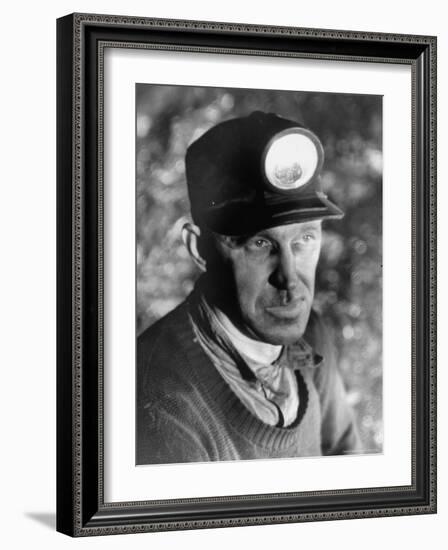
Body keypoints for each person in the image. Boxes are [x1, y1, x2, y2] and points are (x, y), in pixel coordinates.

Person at [136, 111, 362, 465]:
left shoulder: (311, 335)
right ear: (199, 249)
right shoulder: (164, 408)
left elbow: (348, 467)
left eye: (304, 239)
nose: (290, 280)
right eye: (260, 244)